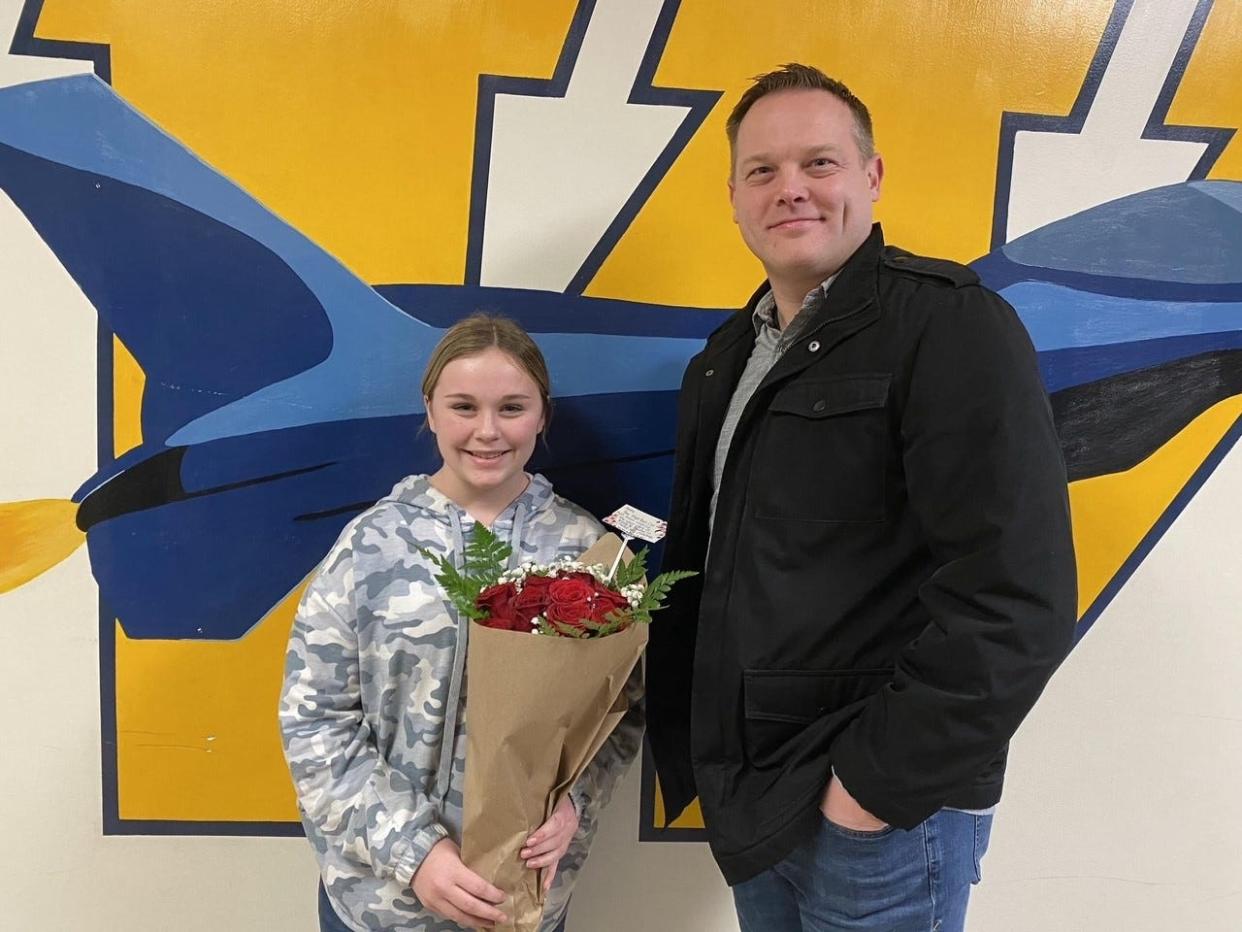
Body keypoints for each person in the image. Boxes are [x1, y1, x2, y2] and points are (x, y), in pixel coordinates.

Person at [646, 63, 1078, 931]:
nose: (790, 190)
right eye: (763, 171)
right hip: (757, 801)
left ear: (871, 178)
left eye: (820, 163)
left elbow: (1016, 594)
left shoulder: (949, 325)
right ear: (733, 196)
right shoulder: (724, 359)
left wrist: (870, 791)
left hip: (879, 815)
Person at [280, 313, 643, 932]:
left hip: (520, 901)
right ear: (430, 411)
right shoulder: (370, 546)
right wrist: (413, 853)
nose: (487, 431)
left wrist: (574, 806)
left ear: (542, 415)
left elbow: (622, 710)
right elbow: (315, 720)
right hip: (380, 903)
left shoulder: (590, 552)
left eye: (511, 408)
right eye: (463, 406)